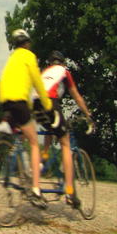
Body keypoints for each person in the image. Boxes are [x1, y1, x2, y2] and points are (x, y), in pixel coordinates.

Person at [0, 29, 57, 208]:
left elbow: (3, 80)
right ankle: (36, 189)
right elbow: (37, 81)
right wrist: (46, 104)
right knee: (33, 142)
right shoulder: (29, 56)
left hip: (5, 101)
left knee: (20, 137)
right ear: (27, 43)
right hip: (20, 101)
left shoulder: (12, 58)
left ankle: (9, 170)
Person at [31, 50, 93, 208]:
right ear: (63, 62)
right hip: (50, 102)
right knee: (65, 143)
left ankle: (43, 157)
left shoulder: (44, 71)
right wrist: (88, 114)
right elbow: (76, 96)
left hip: (35, 104)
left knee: (51, 127)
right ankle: (70, 192)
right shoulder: (64, 71)